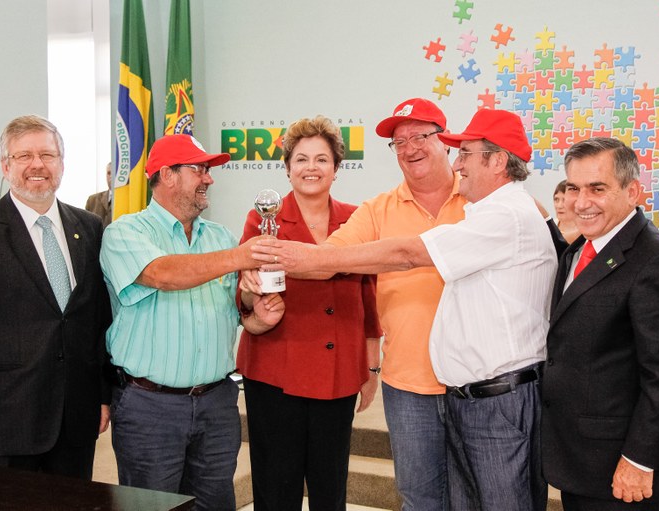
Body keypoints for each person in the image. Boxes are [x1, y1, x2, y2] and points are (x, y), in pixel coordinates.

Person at [252, 108, 557, 511]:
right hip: (421, 386)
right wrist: (282, 265)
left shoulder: (491, 210)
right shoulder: (390, 208)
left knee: (497, 501)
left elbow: (406, 252)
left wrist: (293, 257)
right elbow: (334, 257)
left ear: (495, 160)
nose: (410, 149)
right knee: (429, 499)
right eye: (399, 142)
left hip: (494, 393)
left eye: (460, 151)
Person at [293, 98, 466, 511]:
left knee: (475, 497)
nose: (410, 148)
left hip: (474, 384)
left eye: (421, 136)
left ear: (445, 141)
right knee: (419, 498)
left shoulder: (482, 201)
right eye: (399, 141)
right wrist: (263, 258)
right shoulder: (378, 210)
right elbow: (326, 260)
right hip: (408, 385)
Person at [99, 134, 282, 511]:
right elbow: (163, 274)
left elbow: (239, 313)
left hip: (217, 404)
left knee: (215, 504)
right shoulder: (125, 232)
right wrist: (238, 257)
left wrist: (257, 315)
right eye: (199, 169)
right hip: (149, 407)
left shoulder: (219, 237)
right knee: (151, 505)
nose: (209, 178)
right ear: (166, 175)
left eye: (208, 170)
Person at [0, 115, 111, 479]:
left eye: (48, 155)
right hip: (4, 423)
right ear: (5, 165)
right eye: (24, 156)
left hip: (76, 418)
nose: (37, 165)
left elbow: (97, 320)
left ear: (61, 164)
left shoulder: (90, 228)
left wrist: (102, 395)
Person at [541, 137, 659, 510]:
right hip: (581, 460)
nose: (582, 202)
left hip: (626, 471)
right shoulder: (579, 251)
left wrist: (640, 460)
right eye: (574, 188)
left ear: (633, 191)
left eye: (598, 188)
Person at [236, 116, 383, 511]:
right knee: (275, 487)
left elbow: (370, 299)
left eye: (322, 159)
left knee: (329, 486)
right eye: (301, 159)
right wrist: (254, 300)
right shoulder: (262, 219)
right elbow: (243, 295)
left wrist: (371, 368)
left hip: (338, 372)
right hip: (274, 371)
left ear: (336, 168)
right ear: (287, 168)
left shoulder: (358, 218)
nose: (311, 168)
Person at [85, 162, 113, 227]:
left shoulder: (128, 201)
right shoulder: (92, 200)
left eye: (114, 173)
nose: (111, 176)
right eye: (109, 173)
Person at [553, 179, 579, 243]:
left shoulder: (587, 231)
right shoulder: (548, 227)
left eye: (564, 200)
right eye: (556, 199)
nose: (559, 206)